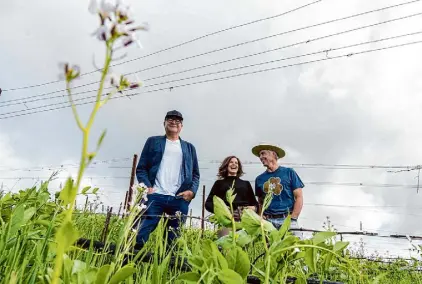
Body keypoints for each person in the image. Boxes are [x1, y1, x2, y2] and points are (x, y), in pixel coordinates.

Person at [135, 110, 200, 249]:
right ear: (164, 123)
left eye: (178, 120)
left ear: (181, 126)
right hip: (154, 195)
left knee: (173, 239)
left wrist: (191, 192)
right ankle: (130, 262)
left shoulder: (189, 148)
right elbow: (141, 168)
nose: (174, 122)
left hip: (179, 198)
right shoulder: (153, 141)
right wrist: (146, 187)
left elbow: (195, 174)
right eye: (170, 119)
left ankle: (167, 266)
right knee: (141, 233)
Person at [252, 143, 304, 234]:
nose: (260, 157)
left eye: (263, 153)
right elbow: (260, 202)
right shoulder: (259, 179)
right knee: (269, 247)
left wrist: (293, 218)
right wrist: (261, 216)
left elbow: (299, 196)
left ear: (273, 154)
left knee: (294, 246)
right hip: (268, 222)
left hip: (287, 219)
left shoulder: (289, 172)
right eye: (259, 155)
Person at [205, 156, 258, 237]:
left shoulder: (246, 184)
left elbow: (255, 204)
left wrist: (249, 209)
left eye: (236, 163)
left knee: (243, 246)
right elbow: (208, 203)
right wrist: (222, 210)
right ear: (226, 165)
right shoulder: (219, 183)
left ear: (239, 167)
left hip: (244, 220)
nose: (234, 164)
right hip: (226, 221)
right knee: (225, 246)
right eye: (231, 162)